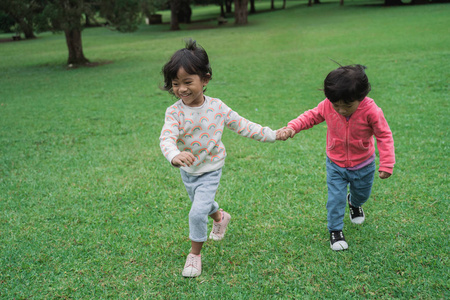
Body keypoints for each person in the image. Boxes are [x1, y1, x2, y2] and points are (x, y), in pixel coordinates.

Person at [159, 39, 282, 277]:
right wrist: (174, 155)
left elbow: (244, 125)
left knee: (196, 212)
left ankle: (194, 255)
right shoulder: (174, 112)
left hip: (212, 167)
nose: (181, 89)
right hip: (189, 171)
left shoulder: (217, 107)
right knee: (201, 204)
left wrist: (272, 134)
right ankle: (220, 216)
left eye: (187, 82)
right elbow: (166, 138)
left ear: (204, 80)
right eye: (175, 84)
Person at [278, 64, 395, 251]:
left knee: (362, 195)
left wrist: (387, 163)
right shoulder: (327, 106)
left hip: (364, 165)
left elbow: (384, 135)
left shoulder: (372, 111)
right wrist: (293, 126)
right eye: (336, 105)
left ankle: (354, 203)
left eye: (347, 106)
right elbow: (312, 116)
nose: (340, 110)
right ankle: (335, 231)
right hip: (336, 165)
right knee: (335, 199)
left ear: (360, 97)